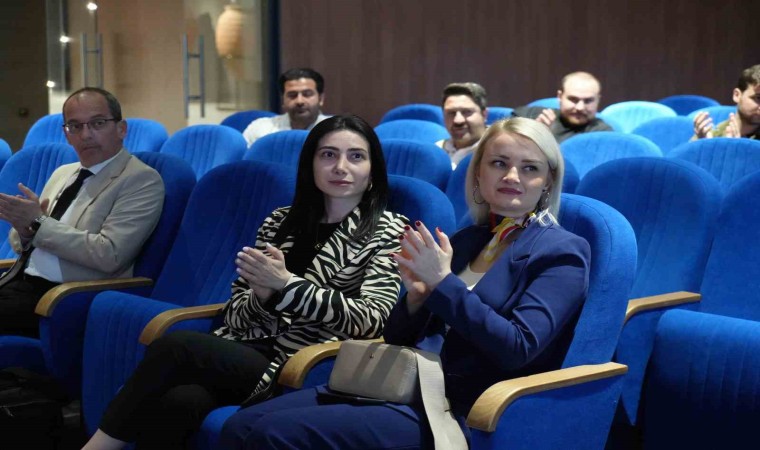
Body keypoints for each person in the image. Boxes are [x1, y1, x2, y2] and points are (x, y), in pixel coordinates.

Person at [217, 117, 591, 450]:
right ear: (478, 174)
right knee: (241, 424)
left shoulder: (562, 251)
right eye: (499, 163)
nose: (511, 177)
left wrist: (443, 283)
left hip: (458, 406)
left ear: (548, 181)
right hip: (400, 382)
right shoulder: (467, 241)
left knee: (272, 434)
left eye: (529, 168)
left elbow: (517, 348)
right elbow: (397, 336)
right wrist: (416, 298)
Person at [81, 114, 408, 449]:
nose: (340, 167)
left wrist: (286, 287)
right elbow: (235, 313)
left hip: (305, 364)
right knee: (182, 402)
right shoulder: (281, 222)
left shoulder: (389, 231)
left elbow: (372, 319)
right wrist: (262, 298)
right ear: (310, 165)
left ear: (373, 171)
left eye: (356, 156)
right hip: (244, 349)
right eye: (328, 155)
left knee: (175, 346)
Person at [0, 87, 164, 338]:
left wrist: (37, 223)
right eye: (75, 126)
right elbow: (26, 242)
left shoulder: (141, 180)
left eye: (98, 123)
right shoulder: (63, 173)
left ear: (121, 129)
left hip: (70, 297)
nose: (85, 135)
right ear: (67, 135)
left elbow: (110, 255)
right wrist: (24, 228)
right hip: (21, 282)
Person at [512, 71, 612, 143]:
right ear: (560, 97)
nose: (580, 107)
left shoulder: (604, 134)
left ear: (598, 100)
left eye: (588, 101)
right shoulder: (531, 114)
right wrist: (533, 132)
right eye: (573, 99)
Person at [242, 68, 329, 146]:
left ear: (321, 99)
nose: (300, 101)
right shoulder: (261, 129)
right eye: (292, 95)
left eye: (307, 94)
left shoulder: (334, 130)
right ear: (283, 100)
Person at [692, 64, 760, 140]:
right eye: (758, 98)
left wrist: (738, 146)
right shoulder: (713, 133)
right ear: (737, 95)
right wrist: (705, 144)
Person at [436, 82, 489, 168]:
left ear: (484, 115)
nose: (458, 120)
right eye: (451, 113)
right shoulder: (437, 150)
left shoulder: (497, 152)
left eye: (466, 112)